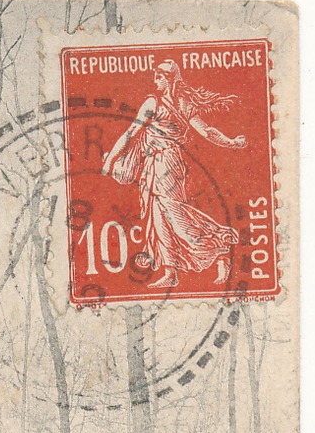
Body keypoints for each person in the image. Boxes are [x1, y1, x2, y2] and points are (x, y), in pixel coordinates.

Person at [101, 60, 249, 288]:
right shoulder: (152, 102)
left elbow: (206, 131)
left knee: (175, 215)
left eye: (159, 77)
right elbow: (132, 132)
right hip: (151, 163)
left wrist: (231, 143)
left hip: (169, 162)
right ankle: (171, 272)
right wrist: (111, 160)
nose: (155, 81)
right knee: (159, 219)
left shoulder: (181, 103)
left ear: (170, 78)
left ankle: (220, 248)